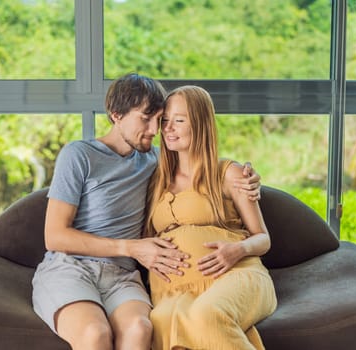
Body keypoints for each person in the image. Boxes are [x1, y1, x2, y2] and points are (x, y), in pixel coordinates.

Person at [31, 73, 262, 350]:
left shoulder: (156, 162)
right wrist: (132, 248)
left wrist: (248, 174)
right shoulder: (79, 155)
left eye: (160, 119)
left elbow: (201, 164)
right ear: (116, 115)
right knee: (95, 333)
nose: (156, 130)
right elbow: (55, 236)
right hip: (71, 268)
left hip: (121, 276)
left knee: (141, 329)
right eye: (146, 118)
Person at [145, 85, 277, 350]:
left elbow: (263, 239)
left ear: (201, 123)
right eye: (165, 121)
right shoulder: (155, 180)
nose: (168, 128)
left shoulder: (229, 173)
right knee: (161, 321)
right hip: (175, 292)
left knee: (207, 314)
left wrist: (237, 250)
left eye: (179, 120)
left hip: (235, 275)